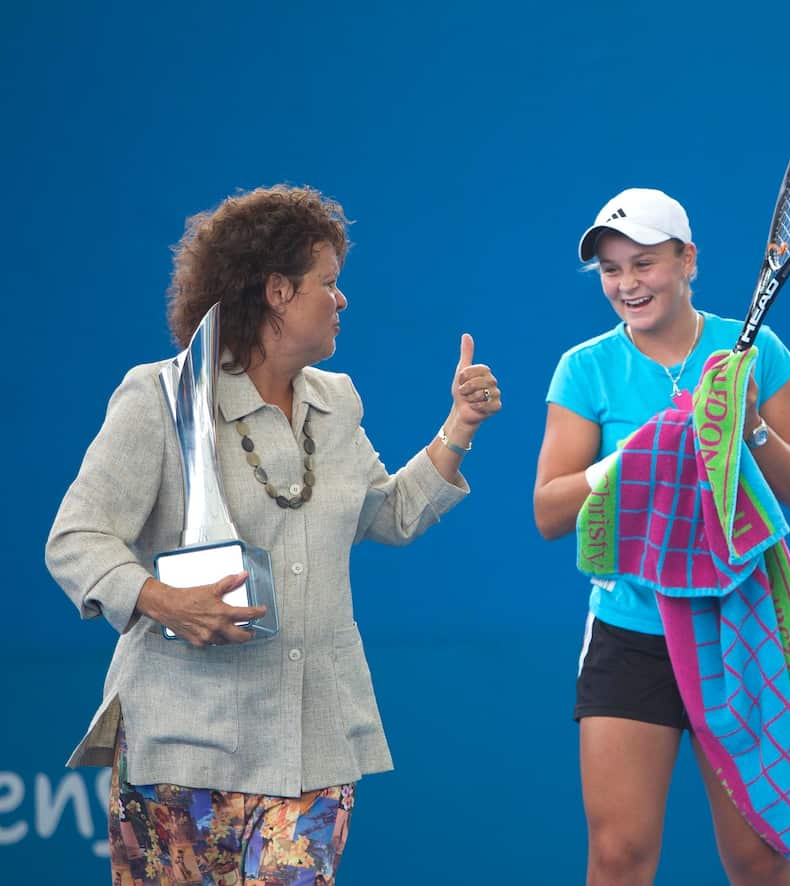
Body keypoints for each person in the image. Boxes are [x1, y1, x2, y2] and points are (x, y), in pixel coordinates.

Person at [46, 185, 502, 884]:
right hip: (179, 748)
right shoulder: (159, 399)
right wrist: (165, 602)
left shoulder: (337, 400)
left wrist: (458, 429)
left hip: (314, 742)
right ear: (279, 291)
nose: (342, 299)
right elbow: (77, 537)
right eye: (330, 282)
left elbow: (389, 513)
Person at [533, 188, 790, 885]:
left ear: (686, 260)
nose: (627, 285)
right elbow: (549, 511)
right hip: (631, 632)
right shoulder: (586, 368)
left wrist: (751, 428)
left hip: (738, 631)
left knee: (758, 854)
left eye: (644, 264)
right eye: (611, 270)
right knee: (619, 856)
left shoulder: (755, 352)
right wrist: (635, 453)